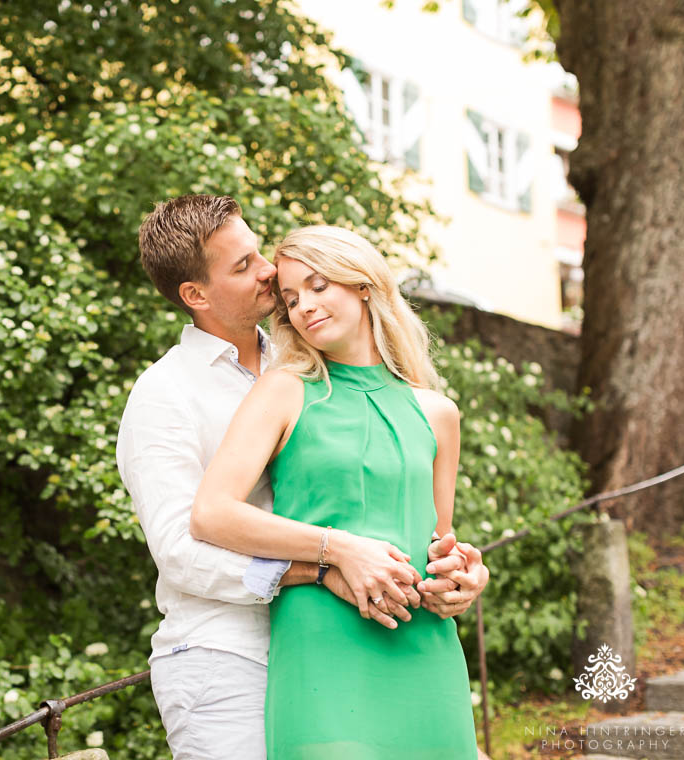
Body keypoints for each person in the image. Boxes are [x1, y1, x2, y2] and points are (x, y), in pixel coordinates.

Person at [117, 194, 487, 760]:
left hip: (347, 634)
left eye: (259, 254)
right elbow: (180, 551)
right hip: (225, 656)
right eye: (243, 267)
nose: (268, 272)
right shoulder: (165, 395)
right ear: (195, 294)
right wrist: (322, 565)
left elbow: (420, 523)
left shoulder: (300, 363)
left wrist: (457, 574)